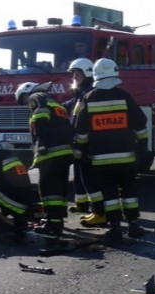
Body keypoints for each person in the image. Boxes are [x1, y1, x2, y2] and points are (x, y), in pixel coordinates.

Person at [74, 58, 148, 240]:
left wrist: (82, 151)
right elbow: (140, 123)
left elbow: (80, 130)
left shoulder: (88, 98)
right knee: (129, 192)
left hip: (101, 159)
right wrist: (142, 146)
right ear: (115, 74)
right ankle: (133, 225)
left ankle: (115, 228)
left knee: (110, 194)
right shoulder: (124, 96)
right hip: (126, 157)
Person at [16, 82, 74, 237]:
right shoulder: (54, 102)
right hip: (65, 152)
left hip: (50, 153)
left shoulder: (37, 97)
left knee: (48, 189)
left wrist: (41, 145)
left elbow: (40, 118)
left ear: (27, 93)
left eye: (24, 100)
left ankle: (52, 224)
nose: (27, 104)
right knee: (60, 190)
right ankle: (57, 222)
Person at [61, 58, 105, 227]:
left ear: (87, 73)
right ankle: (82, 204)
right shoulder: (80, 93)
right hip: (79, 143)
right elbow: (70, 106)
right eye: (73, 73)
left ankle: (99, 211)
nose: (74, 76)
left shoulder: (89, 93)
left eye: (77, 73)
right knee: (79, 175)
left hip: (89, 144)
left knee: (90, 178)